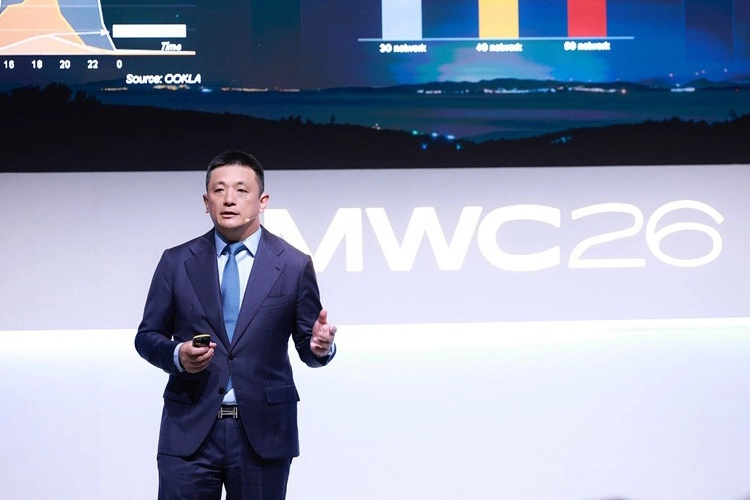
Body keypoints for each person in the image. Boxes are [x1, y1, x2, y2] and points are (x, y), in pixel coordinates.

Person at [135, 151, 337, 500]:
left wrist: (321, 347)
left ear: (262, 201)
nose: (229, 199)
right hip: (188, 430)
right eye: (219, 190)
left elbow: (309, 346)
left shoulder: (293, 265)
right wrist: (178, 355)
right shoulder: (176, 262)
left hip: (264, 433)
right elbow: (147, 336)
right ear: (206, 202)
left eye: (241, 191)